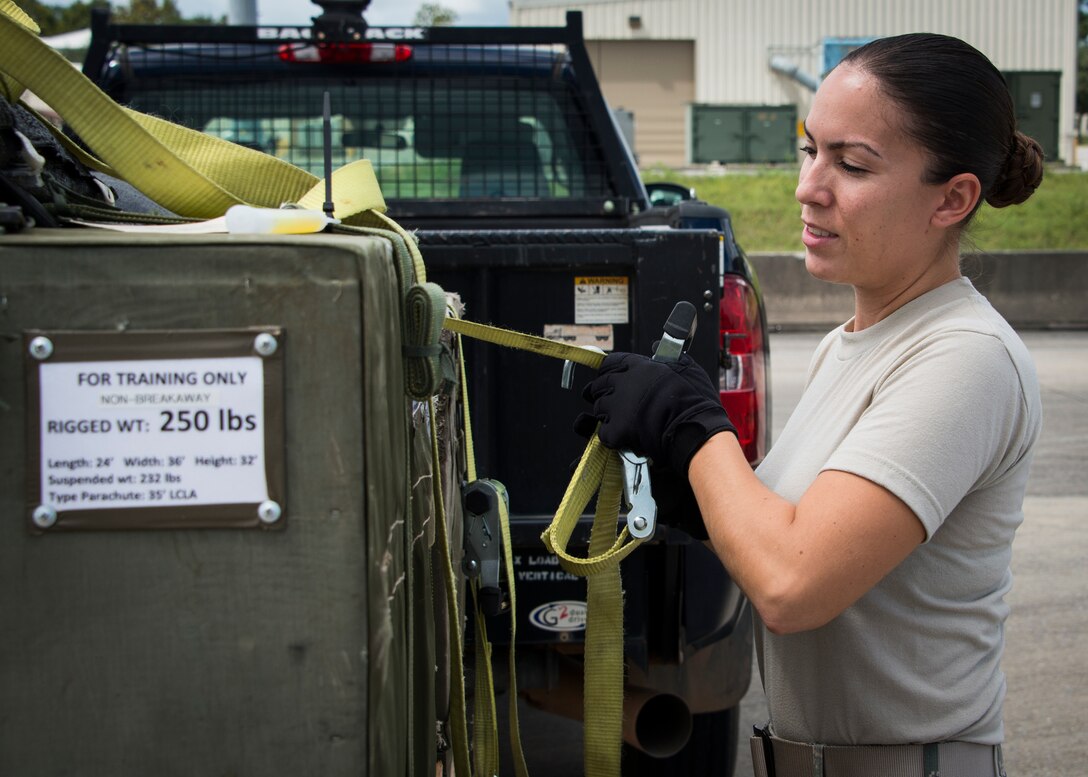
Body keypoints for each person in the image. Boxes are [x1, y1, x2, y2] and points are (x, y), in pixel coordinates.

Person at [578, 33, 1044, 777]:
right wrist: (691, 492)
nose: (809, 186)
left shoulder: (965, 356)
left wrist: (693, 427)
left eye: (852, 164)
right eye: (810, 150)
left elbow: (793, 582)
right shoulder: (848, 344)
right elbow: (798, 529)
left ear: (953, 198)